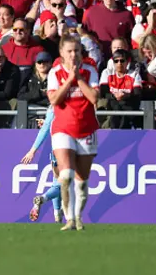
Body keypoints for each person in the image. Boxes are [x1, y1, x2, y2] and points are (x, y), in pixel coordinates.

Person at [47, 35, 100, 231]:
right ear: (61, 53)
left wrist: (78, 78)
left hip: (86, 128)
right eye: (69, 51)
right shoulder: (55, 73)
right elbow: (54, 100)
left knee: (82, 180)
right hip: (63, 128)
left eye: (76, 51)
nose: (73, 55)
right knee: (66, 174)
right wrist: (69, 80)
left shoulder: (90, 71)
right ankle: (69, 218)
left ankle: (78, 216)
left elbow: (94, 97)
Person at [20, 104, 63, 224]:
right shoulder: (73, 104)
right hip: (69, 149)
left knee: (57, 183)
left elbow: (46, 128)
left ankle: (57, 215)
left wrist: (32, 151)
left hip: (56, 150)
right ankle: (42, 198)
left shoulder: (54, 106)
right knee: (65, 184)